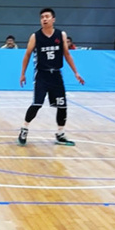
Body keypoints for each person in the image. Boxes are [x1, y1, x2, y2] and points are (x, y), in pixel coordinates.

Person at [18, 8, 85, 147]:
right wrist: (22, 73)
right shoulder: (35, 36)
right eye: (42, 17)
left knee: (62, 106)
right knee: (37, 104)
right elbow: (27, 55)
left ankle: (60, 134)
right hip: (41, 75)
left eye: (47, 16)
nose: (44, 19)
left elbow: (67, 54)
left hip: (56, 75)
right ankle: (24, 128)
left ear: (53, 19)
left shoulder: (61, 34)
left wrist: (76, 72)